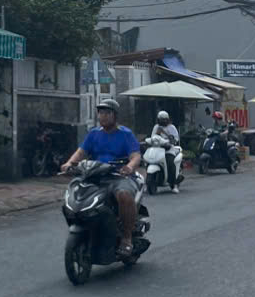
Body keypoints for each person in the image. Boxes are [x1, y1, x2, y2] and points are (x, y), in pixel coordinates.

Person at [60, 99, 142, 258]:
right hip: (95, 175)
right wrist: (69, 163)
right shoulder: (94, 134)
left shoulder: (125, 134)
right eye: (100, 112)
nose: (103, 116)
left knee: (124, 195)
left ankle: (126, 238)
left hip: (118, 176)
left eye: (107, 113)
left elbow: (135, 156)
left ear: (115, 115)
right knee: (74, 193)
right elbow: (81, 152)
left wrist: (129, 167)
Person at [151, 110, 181, 194]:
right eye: (161, 119)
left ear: (167, 119)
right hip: (157, 149)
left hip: (169, 149)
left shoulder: (172, 127)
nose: (163, 121)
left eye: (164, 119)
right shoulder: (156, 127)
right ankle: (151, 182)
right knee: (150, 161)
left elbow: (176, 139)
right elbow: (153, 137)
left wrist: (170, 141)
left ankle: (174, 185)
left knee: (170, 163)